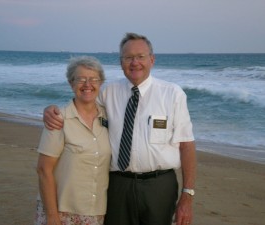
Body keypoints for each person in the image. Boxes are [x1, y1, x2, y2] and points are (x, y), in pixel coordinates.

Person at [43, 33, 196, 225]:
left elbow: (187, 145)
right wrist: (51, 110)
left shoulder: (173, 94)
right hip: (118, 184)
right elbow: (82, 105)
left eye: (140, 56)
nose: (135, 62)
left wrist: (187, 195)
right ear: (121, 62)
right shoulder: (108, 92)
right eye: (128, 57)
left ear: (152, 59)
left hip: (159, 186)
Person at [35, 56, 111, 225]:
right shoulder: (58, 119)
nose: (87, 84)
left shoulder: (110, 117)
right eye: (80, 79)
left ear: (101, 83)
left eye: (93, 79)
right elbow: (43, 170)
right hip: (62, 213)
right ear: (71, 83)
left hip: (96, 213)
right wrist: (53, 216)